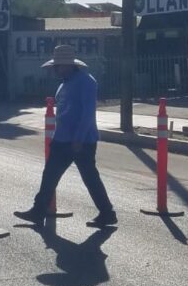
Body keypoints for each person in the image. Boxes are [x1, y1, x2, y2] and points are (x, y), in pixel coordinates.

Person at [14, 44, 117, 228]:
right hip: (62, 139)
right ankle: (38, 211)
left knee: (89, 177)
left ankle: (107, 213)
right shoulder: (64, 84)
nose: (55, 69)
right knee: (50, 176)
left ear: (69, 65)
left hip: (81, 141)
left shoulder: (86, 81)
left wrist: (79, 137)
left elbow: (87, 113)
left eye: (58, 66)